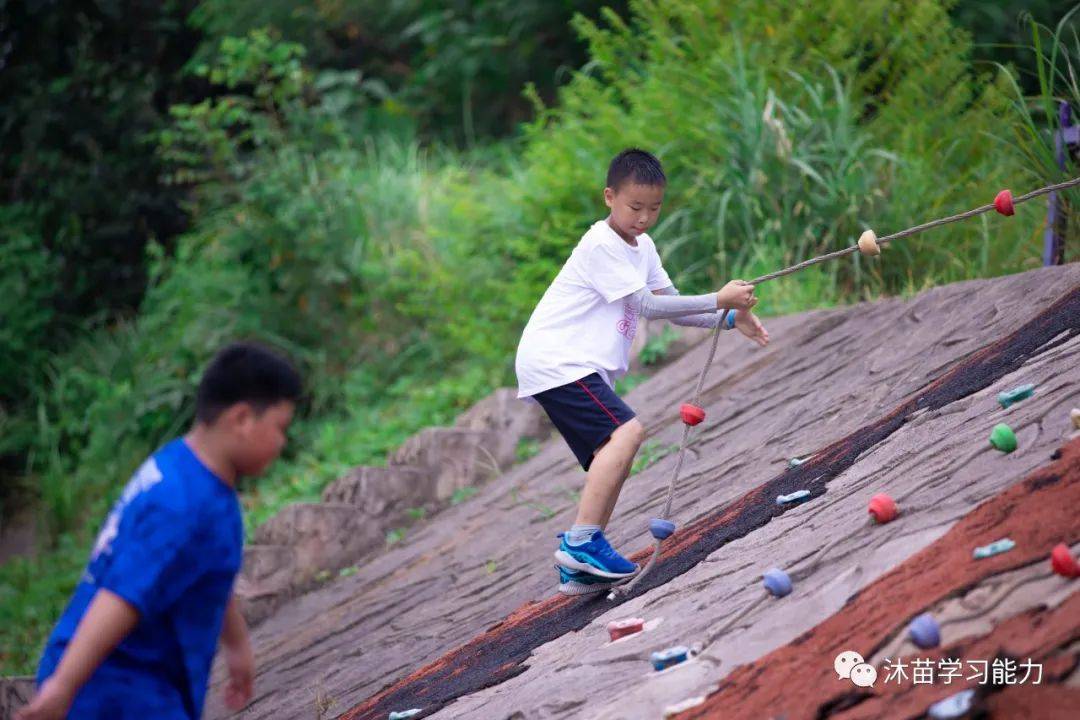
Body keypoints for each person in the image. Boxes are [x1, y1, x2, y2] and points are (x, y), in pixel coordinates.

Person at [514, 148, 770, 595]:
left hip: (570, 364)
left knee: (611, 451)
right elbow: (646, 306)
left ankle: (581, 563)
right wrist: (719, 298)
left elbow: (672, 307)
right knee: (627, 432)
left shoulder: (643, 248)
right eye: (635, 207)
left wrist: (729, 318)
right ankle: (581, 543)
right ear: (609, 197)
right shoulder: (600, 244)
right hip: (559, 360)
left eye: (654, 208)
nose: (644, 218)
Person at [18, 342, 302, 719]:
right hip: (113, 688)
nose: (283, 442)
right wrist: (63, 687)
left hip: (140, 681)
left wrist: (236, 644)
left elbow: (208, 573)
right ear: (242, 419)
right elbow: (121, 598)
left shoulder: (182, 464)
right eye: (280, 428)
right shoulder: (183, 505)